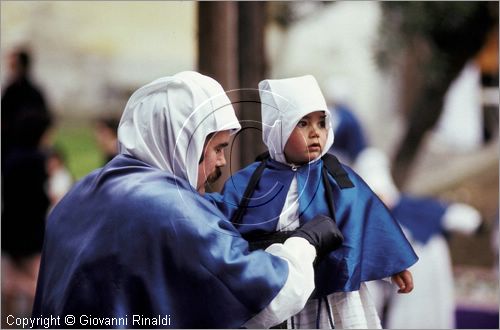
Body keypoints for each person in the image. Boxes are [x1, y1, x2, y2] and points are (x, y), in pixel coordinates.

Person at [32, 71, 345, 328]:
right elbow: (270, 295)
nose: (223, 163)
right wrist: (303, 244)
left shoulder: (83, 193)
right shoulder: (173, 209)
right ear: (185, 143)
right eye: (218, 148)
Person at [205, 75, 418, 328]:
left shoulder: (339, 179)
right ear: (278, 128)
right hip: (277, 291)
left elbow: (367, 215)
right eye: (303, 123)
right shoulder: (249, 182)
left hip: (333, 292)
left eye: (321, 122)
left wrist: (393, 264)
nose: (315, 133)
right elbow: (225, 220)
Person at [356, 148, 482, 329]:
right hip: (406, 281)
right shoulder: (369, 225)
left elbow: (459, 217)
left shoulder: (412, 207)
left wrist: (476, 224)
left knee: (433, 311)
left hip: (431, 267)